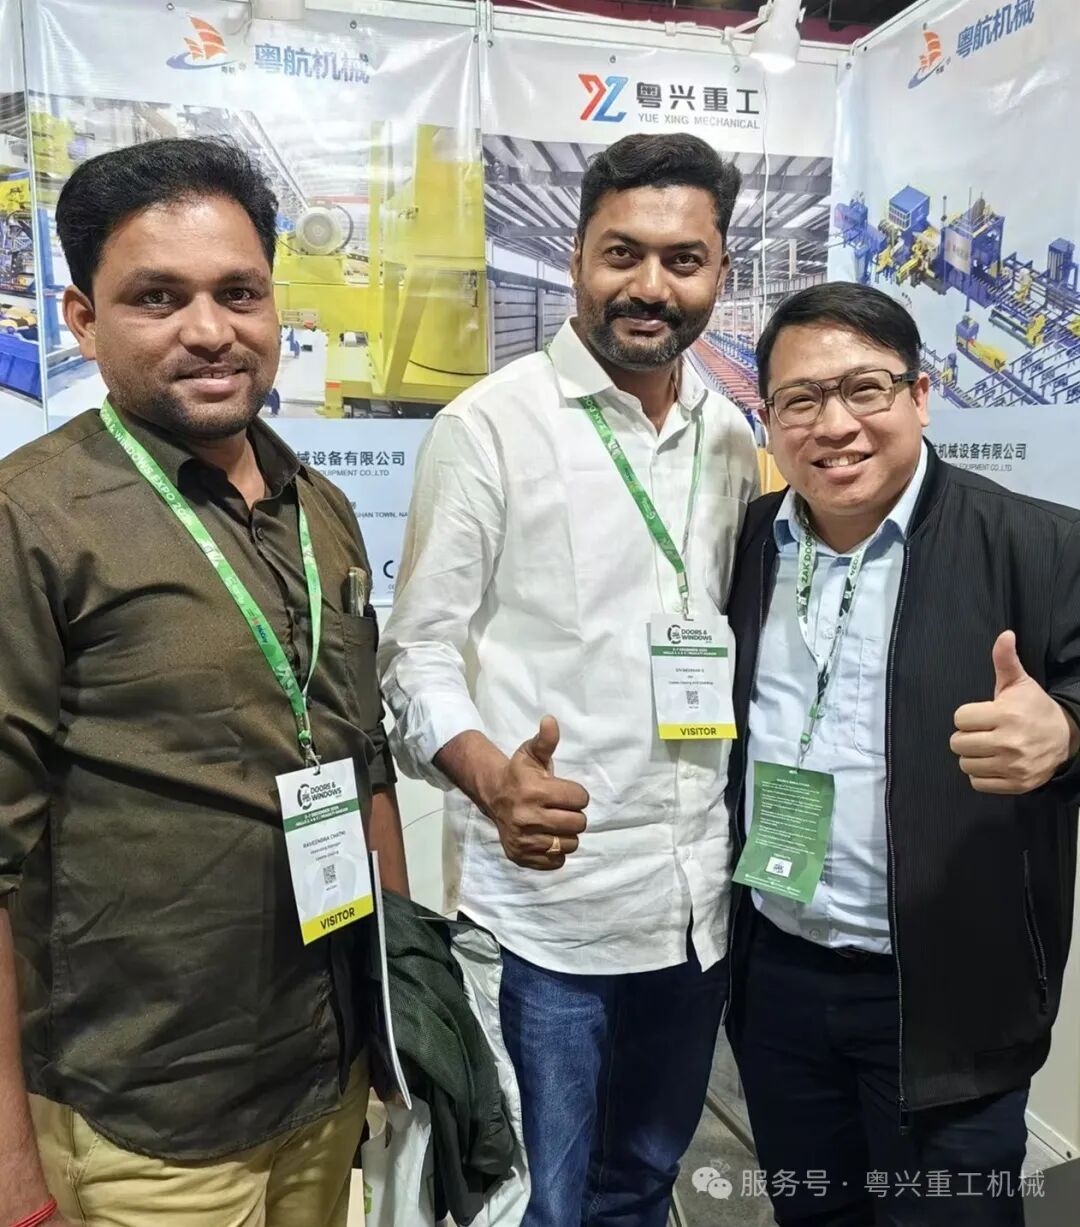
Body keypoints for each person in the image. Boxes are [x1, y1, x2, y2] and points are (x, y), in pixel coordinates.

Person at [0, 138, 409, 1227]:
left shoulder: (318, 506)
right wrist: (10, 1172)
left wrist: (397, 1019)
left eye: (239, 292)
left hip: (325, 1075)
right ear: (82, 320)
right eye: (157, 297)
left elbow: (363, 767)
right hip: (147, 1116)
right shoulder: (30, 521)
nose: (210, 330)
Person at [378, 132, 758, 1226]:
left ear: (720, 272)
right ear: (576, 258)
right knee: (537, 1203)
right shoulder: (490, 427)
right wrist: (488, 774)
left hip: (695, 904)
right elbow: (418, 650)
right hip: (550, 912)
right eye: (621, 253)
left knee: (641, 1182)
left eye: (683, 260)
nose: (650, 286)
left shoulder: (731, 437)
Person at [724, 281, 1080, 1226]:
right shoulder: (752, 544)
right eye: (801, 399)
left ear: (920, 396)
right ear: (770, 421)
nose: (835, 424)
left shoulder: (1040, 546)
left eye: (865, 389)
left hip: (949, 993)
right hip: (780, 976)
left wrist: (1067, 733)